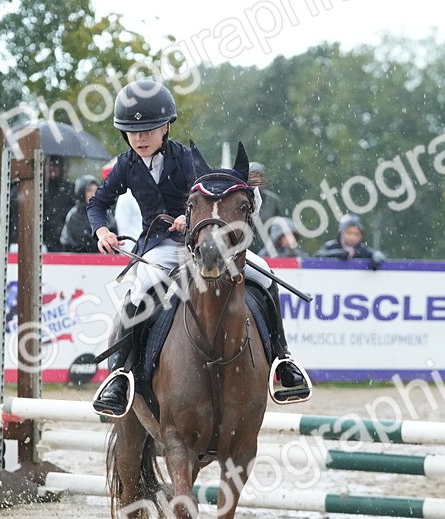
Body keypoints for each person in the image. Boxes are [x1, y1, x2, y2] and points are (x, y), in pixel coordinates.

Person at [87, 79, 309, 417]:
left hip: (202, 242)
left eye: (148, 130)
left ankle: (282, 359)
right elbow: (98, 203)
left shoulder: (186, 159)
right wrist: (101, 229)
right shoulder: (125, 165)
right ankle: (122, 374)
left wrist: (186, 217)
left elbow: (208, 197)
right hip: (161, 247)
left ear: (166, 128)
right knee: (138, 295)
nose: (140, 138)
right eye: (133, 132)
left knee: (266, 277)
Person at [59, 175, 114, 253]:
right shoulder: (75, 215)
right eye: (89, 190)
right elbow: (75, 243)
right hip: (78, 261)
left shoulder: (106, 212)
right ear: (81, 192)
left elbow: (113, 233)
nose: (93, 194)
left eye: (96, 190)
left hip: (104, 259)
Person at [314, 214, 386, 269]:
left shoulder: (361, 250)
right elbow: (318, 256)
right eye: (348, 233)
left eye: (356, 234)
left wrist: (377, 257)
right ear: (340, 233)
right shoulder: (331, 246)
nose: (352, 237)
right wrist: (340, 254)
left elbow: (376, 254)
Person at [42, 155, 74, 252]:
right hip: (44, 238)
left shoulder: (69, 189)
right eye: (50, 165)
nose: (52, 169)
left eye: (56, 166)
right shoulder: (40, 189)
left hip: (60, 239)